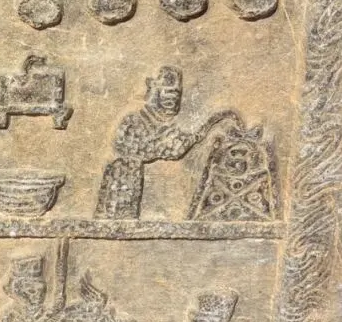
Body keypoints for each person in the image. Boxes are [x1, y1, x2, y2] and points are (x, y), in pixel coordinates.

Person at [96, 67, 240, 218]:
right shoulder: (134, 122)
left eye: (176, 94)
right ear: (154, 91)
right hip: (121, 192)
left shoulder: (166, 128)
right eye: (168, 92)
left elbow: (179, 145)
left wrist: (212, 123)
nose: (172, 99)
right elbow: (155, 148)